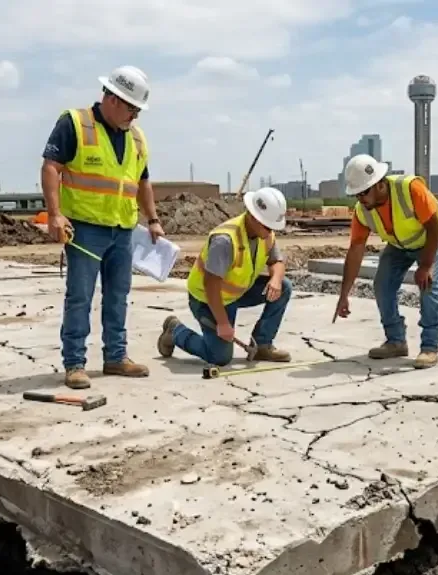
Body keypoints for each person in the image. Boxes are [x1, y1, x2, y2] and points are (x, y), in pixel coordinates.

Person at [41, 66, 164, 389]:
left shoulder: (136, 138)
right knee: (80, 297)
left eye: (138, 110)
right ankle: (75, 363)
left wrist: (152, 219)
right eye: (130, 108)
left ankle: (116, 357)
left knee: (118, 296)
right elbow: (51, 167)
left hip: (123, 229)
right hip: (84, 229)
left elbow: (143, 181)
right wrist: (54, 214)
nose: (134, 116)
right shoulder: (76, 124)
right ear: (110, 97)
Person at [333, 155, 438, 369]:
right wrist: (344, 295)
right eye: (357, 194)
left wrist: (425, 266)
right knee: (382, 285)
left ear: (379, 184)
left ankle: (430, 347)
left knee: (428, 284)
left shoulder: (410, 189)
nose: (361, 199)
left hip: (434, 237)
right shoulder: (363, 212)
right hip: (399, 245)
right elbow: (355, 251)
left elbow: (433, 226)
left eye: (364, 192)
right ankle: (396, 341)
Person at [158, 187, 292, 367]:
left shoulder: (266, 234)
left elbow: (277, 262)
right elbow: (211, 285)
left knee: (284, 286)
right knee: (220, 357)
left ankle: (262, 344)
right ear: (253, 216)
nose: (270, 231)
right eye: (268, 226)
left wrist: (275, 279)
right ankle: (174, 331)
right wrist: (222, 323)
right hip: (206, 298)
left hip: (237, 293)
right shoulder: (225, 240)